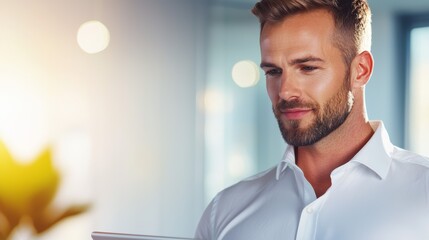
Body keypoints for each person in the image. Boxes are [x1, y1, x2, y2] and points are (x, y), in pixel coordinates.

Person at [195, 0, 429, 239]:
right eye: (273, 71)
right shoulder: (224, 212)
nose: (285, 92)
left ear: (360, 70)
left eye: (307, 68)